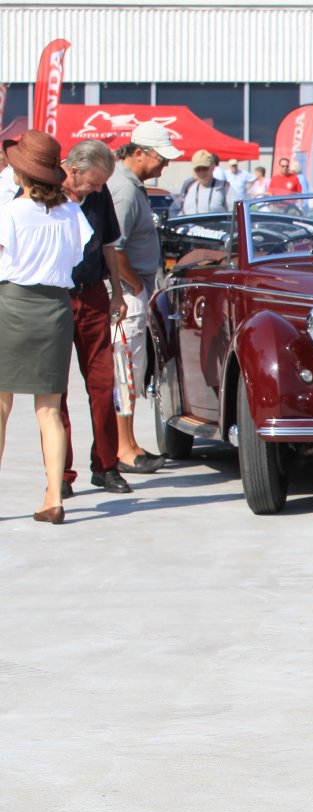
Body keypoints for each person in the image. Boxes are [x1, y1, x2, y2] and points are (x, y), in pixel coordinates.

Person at [0, 130, 93, 523]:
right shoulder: (72, 213)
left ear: (21, 173)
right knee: (50, 411)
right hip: (56, 308)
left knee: (1, 406)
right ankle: (54, 497)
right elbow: (76, 258)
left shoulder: (9, 212)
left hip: (12, 305)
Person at [59, 139, 132, 496]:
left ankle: (106, 465)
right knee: (54, 391)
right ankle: (60, 473)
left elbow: (108, 245)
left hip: (92, 296)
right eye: (94, 182)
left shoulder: (99, 196)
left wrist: (117, 291)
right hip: (54, 299)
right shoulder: (46, 193)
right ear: (73, 171)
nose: (100, 189)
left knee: (103, 384)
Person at [107, 121, 177, 474]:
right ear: (138, 153)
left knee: (131, 372)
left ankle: (128, 442)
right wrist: (136, 287)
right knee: (126, 373)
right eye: (161, 158)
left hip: (131, 291)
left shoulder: (129, 186)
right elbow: (115, 248)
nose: (166, 164)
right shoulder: (124, 190)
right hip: (127, 295)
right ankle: (123, 448)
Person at [174, 150, 232, 216]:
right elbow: (180, 213)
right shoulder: (189, 187)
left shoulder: (224, 187)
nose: (201, 172)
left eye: (205, 168)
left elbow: (235, 214)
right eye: (198, 169)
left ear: (213, 167)